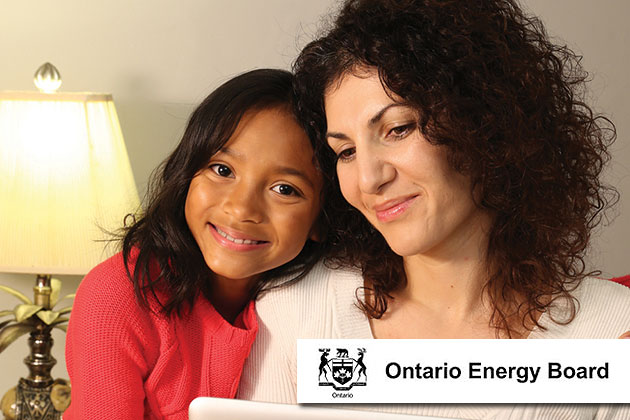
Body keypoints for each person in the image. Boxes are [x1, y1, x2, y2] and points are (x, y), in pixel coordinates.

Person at [238, 1, 630, 418]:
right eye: (346, 151)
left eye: (398, 129)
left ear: (482, 121)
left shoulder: (609, 335)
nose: (369, 179)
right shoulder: (298, 311)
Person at [64, 68, 327, 419]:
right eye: (222, 170)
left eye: (284, 189)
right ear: (188, 171)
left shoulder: (318, 299)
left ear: (322, 220)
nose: (240, 208)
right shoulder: (116, 297)